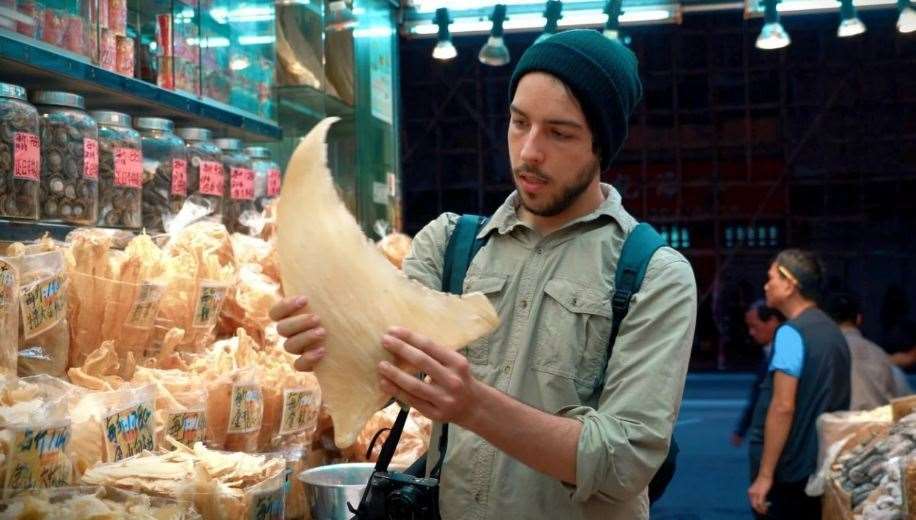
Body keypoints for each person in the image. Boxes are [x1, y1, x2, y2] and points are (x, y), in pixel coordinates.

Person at [270, 30, 697, 520]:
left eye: (559, 132)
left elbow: (623, 462)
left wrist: (474, 407)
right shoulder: (450, 244)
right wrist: (331, 337)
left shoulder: (653, 276)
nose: (529, 151)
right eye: (519, 123)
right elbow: (386, 374)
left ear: (602, 145)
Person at [746, 249, 851, 519]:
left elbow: (783, 406)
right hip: (824, 464)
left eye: (771, 278)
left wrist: (765, 475)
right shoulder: (832, 331)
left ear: (790, 284)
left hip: (791, 473)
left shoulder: (791, 333)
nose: (766, 285)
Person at [825, 291, 910, 409]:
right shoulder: (878, 353)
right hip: (878, 425)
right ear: (859, 319)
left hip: (836, 425)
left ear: (828, 321)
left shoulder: (825, 353)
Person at [731, 300, 785, 447]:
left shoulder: (783, 351)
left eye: (755, 327)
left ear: (772, 322)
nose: (751, 332)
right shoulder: (769, 351)